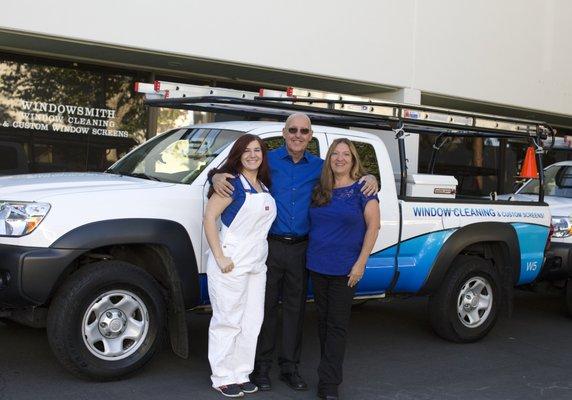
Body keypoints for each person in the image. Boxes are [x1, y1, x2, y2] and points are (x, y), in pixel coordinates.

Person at [211, 113, 378, 392]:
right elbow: (238, 165)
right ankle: (261, 369)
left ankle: (289, 367)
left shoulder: (320, 167)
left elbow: (347, 172)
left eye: (304, 131)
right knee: (262, 309)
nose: (298, 135)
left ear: (310, 136)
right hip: (269, 246)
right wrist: (214, 174)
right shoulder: (268, 159)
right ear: (284, 133)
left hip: (302, 248)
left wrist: (372, 177)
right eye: (293, 130)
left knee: (294, 310)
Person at [307, 138, 380, 400]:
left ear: (353, 160)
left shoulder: (364, 189)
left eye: (345, 154)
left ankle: (329, 384)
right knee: (323, 324)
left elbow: (373, 227)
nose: (340, 158)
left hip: (346, 269)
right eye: (335, 154)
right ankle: (327, 372)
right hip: (317, 264)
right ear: (329, 159)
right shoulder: (320, 188)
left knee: (337, 325)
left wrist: (360, 263)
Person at [204, 134, 277, 398]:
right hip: (231, 263)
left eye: (257, 150)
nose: (252, 155)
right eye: (246, 151)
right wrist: (220, 257)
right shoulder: (231, 183)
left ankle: (241, 373)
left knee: (251, 321)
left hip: (257, 265)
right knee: (228, 320)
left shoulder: (263, 186)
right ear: (238, 155)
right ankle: (223, 376)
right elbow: (209, 217)